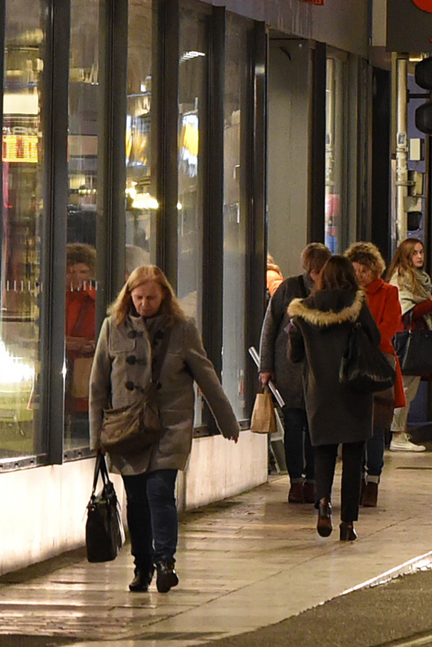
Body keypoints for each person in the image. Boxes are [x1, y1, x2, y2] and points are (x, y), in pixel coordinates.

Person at [89, 266, 241, 592]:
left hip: (169, 426)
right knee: (136, 499)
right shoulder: (111, 328)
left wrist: (227, 420)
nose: (144, 304)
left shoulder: (182, 329)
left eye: (151, 298)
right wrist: (96, 437)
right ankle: (142, 566)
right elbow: (98, 385)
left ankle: (165, 561)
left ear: (164, 297)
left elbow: (206, 375)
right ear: (128, 296)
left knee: (159, 492)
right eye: (139, 297)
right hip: (127, 427)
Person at [286, 256, 384, 542]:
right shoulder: (357, 303)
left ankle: (324, 503)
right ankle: (348, 524)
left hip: (319, 392)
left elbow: (295, 355)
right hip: (354, 388)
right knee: (354, 456)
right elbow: (375, 338)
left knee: (323, 452)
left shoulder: (303, 310)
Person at [259, 243, 330, 502]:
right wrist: (266, 367)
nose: (316, 275)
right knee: (293, 425)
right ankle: (296, 481)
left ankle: (312, 480)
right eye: (314, 270)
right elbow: (270, 326)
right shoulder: (288, 288)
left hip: (318, 372)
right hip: (289, 368)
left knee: (315, 429)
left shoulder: (332, 291)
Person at [347, 243, 404, 508]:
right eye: (355, 270)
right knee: (353, 425)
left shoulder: (388, 292)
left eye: (364, 270)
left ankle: (373, 480)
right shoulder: (347, 293)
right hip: (352, 362)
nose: (360, 274)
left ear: (374, 270)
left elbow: (391, 324)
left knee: (376, 425)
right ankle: (355, 478)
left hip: (380, 360)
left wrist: (367, 340)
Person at [388, 239, 432, 453]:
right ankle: (396, 433)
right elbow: (405, 310)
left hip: (417, 336)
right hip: (406, 337)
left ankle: (400, 430)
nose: (420, 256)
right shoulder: (402, 278)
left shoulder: (420, 278)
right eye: (414, 253)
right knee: (404, 387)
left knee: (409, 387)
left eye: (421, 252)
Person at [65, 244, 100, 442]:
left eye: (83, 271)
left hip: (84, 373)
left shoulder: (97, 300)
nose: (77, 276)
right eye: (71, 271)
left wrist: (92, 345)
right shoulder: (55, 298)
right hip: (61, 372)